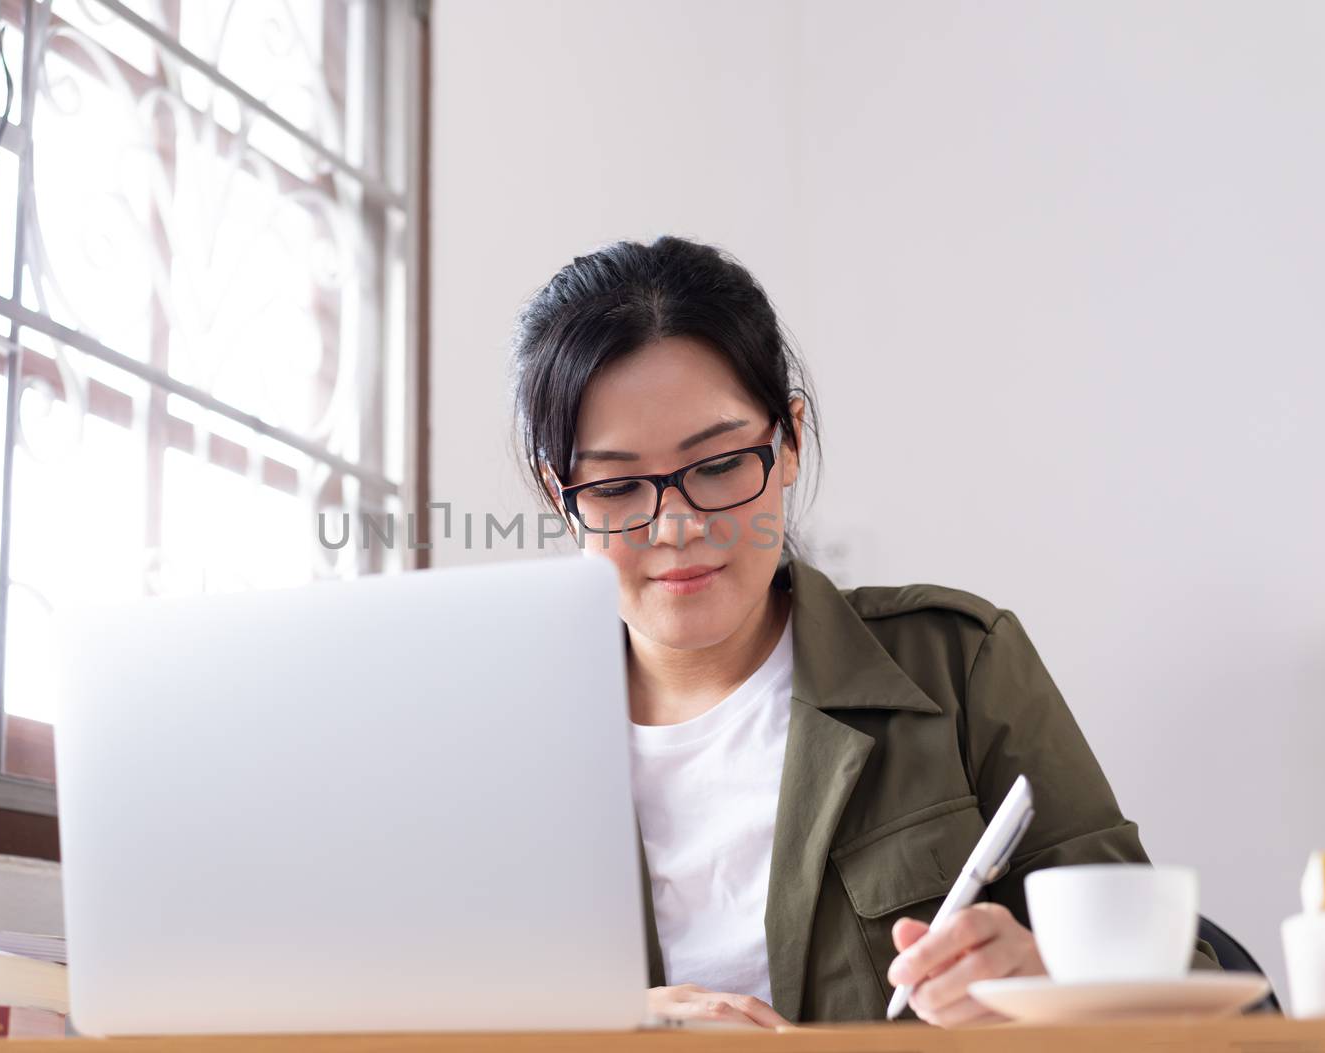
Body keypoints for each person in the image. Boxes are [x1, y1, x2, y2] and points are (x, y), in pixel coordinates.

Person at [508, 236, 1215, 1027]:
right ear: (558, 491)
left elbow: (1192, 993)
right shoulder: (504, 751)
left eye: (718, 466)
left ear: (790, 444)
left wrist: (1047, 985)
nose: (675, 525)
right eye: (615, 485)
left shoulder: (956, 666)